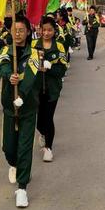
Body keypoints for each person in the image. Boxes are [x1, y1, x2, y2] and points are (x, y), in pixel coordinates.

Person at [0, 14, 41, 208]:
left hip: (28, 107)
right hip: (9, 108)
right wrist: (9, 76)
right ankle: (14, 164)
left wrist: (21, 94)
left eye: (21, 30)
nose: (17, 33)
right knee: (9, 147)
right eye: (14, 30)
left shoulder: (34, 53)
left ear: (28, 32)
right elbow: (2, 66)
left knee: (25, 147)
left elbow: (31, 77)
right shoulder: (6, 50)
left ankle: (22, 188)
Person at [32, 16, 68, 162]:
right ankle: (42, 133)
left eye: (49, 30)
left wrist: (50, 67)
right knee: (39, 120)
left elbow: (62, 69)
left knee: (48, 118)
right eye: (43, 30)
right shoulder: (33, 44)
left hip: (52, 89)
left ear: (54, 31)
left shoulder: (59, 46)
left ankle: (48, 148)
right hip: (35, 89)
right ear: (39, 30)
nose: (46, 33)